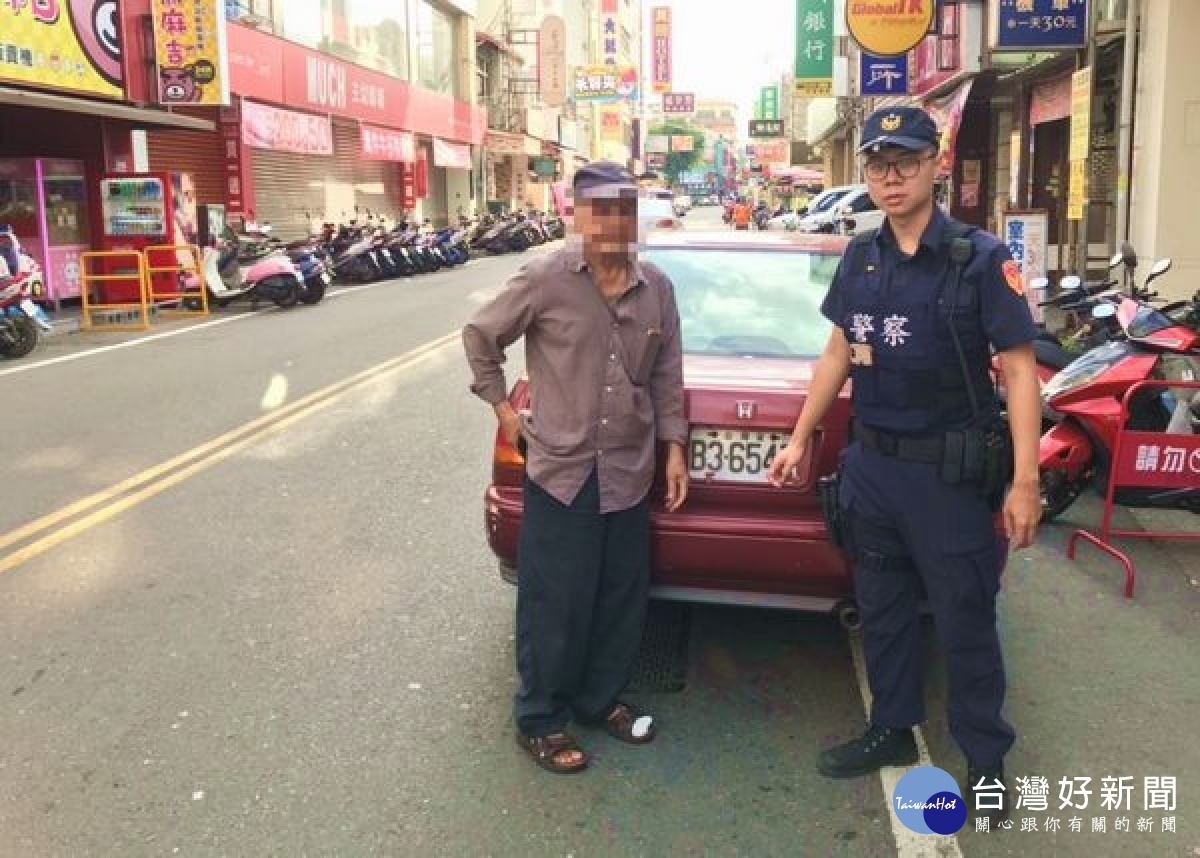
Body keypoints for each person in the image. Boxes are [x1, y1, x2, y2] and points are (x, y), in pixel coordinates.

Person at [766, 106, 1042, 823]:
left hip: (948, 479)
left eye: (906, 162)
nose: (891, 178)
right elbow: (837, 354)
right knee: (883, 612)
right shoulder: (860, 257)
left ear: (935, 167)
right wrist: (800, 437)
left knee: (964, 620)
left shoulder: (978, 259)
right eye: (878, 165)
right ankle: (891, 727)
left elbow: (1018, 373)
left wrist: (1024, 480)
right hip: (873, 470)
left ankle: (985, 760)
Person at [462, 161, 689, 775]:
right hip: (560, 469)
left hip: (629, 466)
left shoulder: (657, 288)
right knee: (553, 602)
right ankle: (539, 718)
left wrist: (673, 448)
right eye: (600, 209)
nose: (614, 221)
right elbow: (481, 337)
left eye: (625, 207)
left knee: (620, 596)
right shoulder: (545, 278)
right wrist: (507, 414)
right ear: (577, 216)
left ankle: (598, 701)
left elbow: (668, 372)